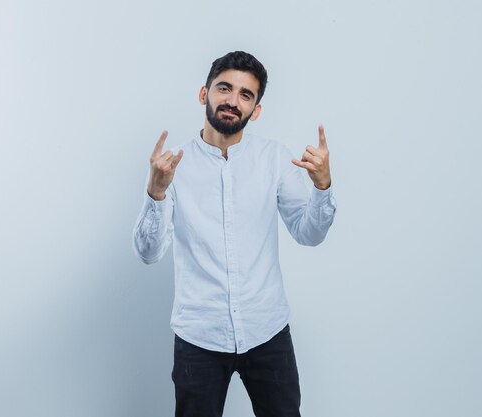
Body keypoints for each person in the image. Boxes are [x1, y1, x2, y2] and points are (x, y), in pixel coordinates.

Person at [132, 51, 336, 417]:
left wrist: (322, 188)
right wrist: (156, 192)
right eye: (224, 88)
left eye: (246, 94)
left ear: (255, 109)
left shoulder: (274, 158)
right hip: (200, 336)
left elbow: (308, 234)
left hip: (267, 331)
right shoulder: (171, 166)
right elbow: (149, 253)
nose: (233, 100)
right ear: (204, 94)